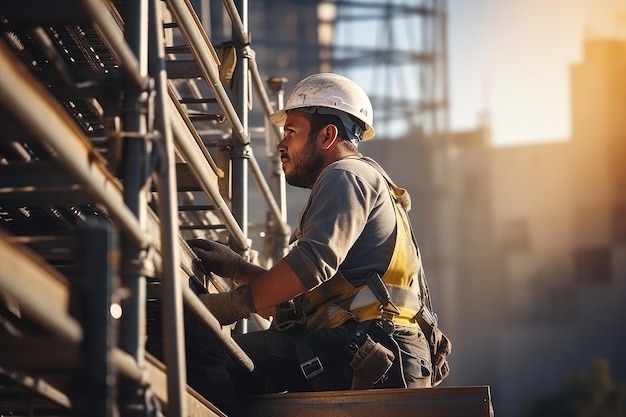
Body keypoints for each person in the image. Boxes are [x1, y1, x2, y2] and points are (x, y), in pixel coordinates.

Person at [185, 73, 451, 416]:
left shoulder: (345, 175)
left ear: (328, 135)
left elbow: (312, 264)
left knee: (208, 350)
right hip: (379, 350)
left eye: (291, 131)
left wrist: (230, 306)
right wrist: (240, 270)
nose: (281, 144)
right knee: (243, 367)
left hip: (369, 347)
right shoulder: (361, 180)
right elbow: (301, 302)